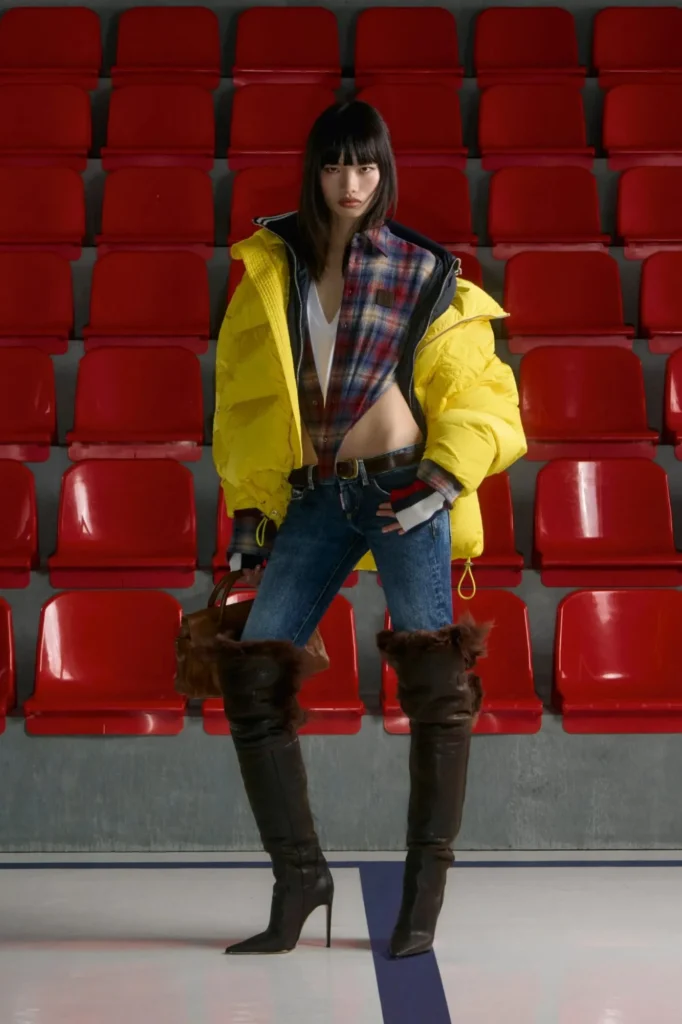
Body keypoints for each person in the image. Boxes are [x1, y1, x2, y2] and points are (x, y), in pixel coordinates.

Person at [213, 101, 527, 958]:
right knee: (251, 678)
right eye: (335, 165)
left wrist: (444, 477)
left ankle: (422, 898)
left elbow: (480, 391)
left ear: (384, 171)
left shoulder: (424, 270)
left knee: (437, 691)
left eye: (367, 166)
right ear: (313, 171)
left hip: (403, 491)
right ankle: (300, 879)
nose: (352, 183)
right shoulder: (271, 270)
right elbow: (248, 403)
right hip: (316, 496)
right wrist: (251, 510)